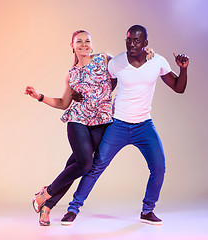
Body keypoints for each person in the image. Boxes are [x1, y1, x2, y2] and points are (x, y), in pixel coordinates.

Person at [61, 25, 190, 226]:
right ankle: (73, 209)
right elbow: (101, 85)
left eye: (137, 41)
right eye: (128, 40)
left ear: (145, 43)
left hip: (144, 126)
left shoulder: (157, 61)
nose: (131, 44)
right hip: (118, 125)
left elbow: (178, 88)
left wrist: (183, 69)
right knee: (95, 167)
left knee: (159, 168)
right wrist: (80, 95)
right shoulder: (117, 62)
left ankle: (148, 211)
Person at [24, 30, 115, 226]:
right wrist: (39, 96)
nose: (84, 44)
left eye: (88, 41)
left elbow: (125, 68)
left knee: (73, 167)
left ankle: (47, 207)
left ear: (92, 43)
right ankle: (44, 194)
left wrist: (147, 54)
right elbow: (64, 103)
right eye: (79, 41)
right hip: (77, 119)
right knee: (84, 164)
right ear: (72, 46)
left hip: (101, 122)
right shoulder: (72, 74)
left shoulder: (105, 59)